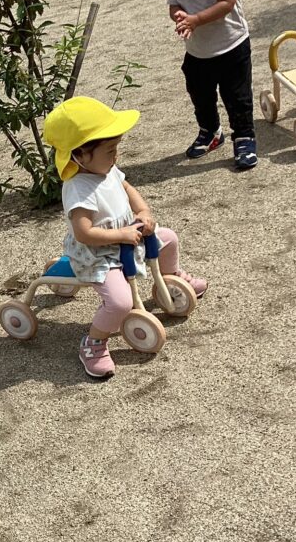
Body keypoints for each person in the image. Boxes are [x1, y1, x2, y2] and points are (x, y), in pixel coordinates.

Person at [43, 98, 207, 379]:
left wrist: (143, 212)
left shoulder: (106, 169)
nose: (115, 155)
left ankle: (171, 278)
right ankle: (94, 342)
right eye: (110, 150)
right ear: (80, 155)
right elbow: (84, 233)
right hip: (98, 254)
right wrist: (121, 234)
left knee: (168, 238)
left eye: (116, 148)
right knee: (120, 302)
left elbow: (128, 188)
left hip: (126, 238)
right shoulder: (78, 189)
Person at [146, 0, 258, 170]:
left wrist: (195, 19)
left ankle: (244, 136)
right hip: (198, 51)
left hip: (231, 46)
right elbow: (174, 5)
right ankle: (210, 132)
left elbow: (227, 2)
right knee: (199, 93)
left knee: (237, 96)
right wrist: (179, 16)